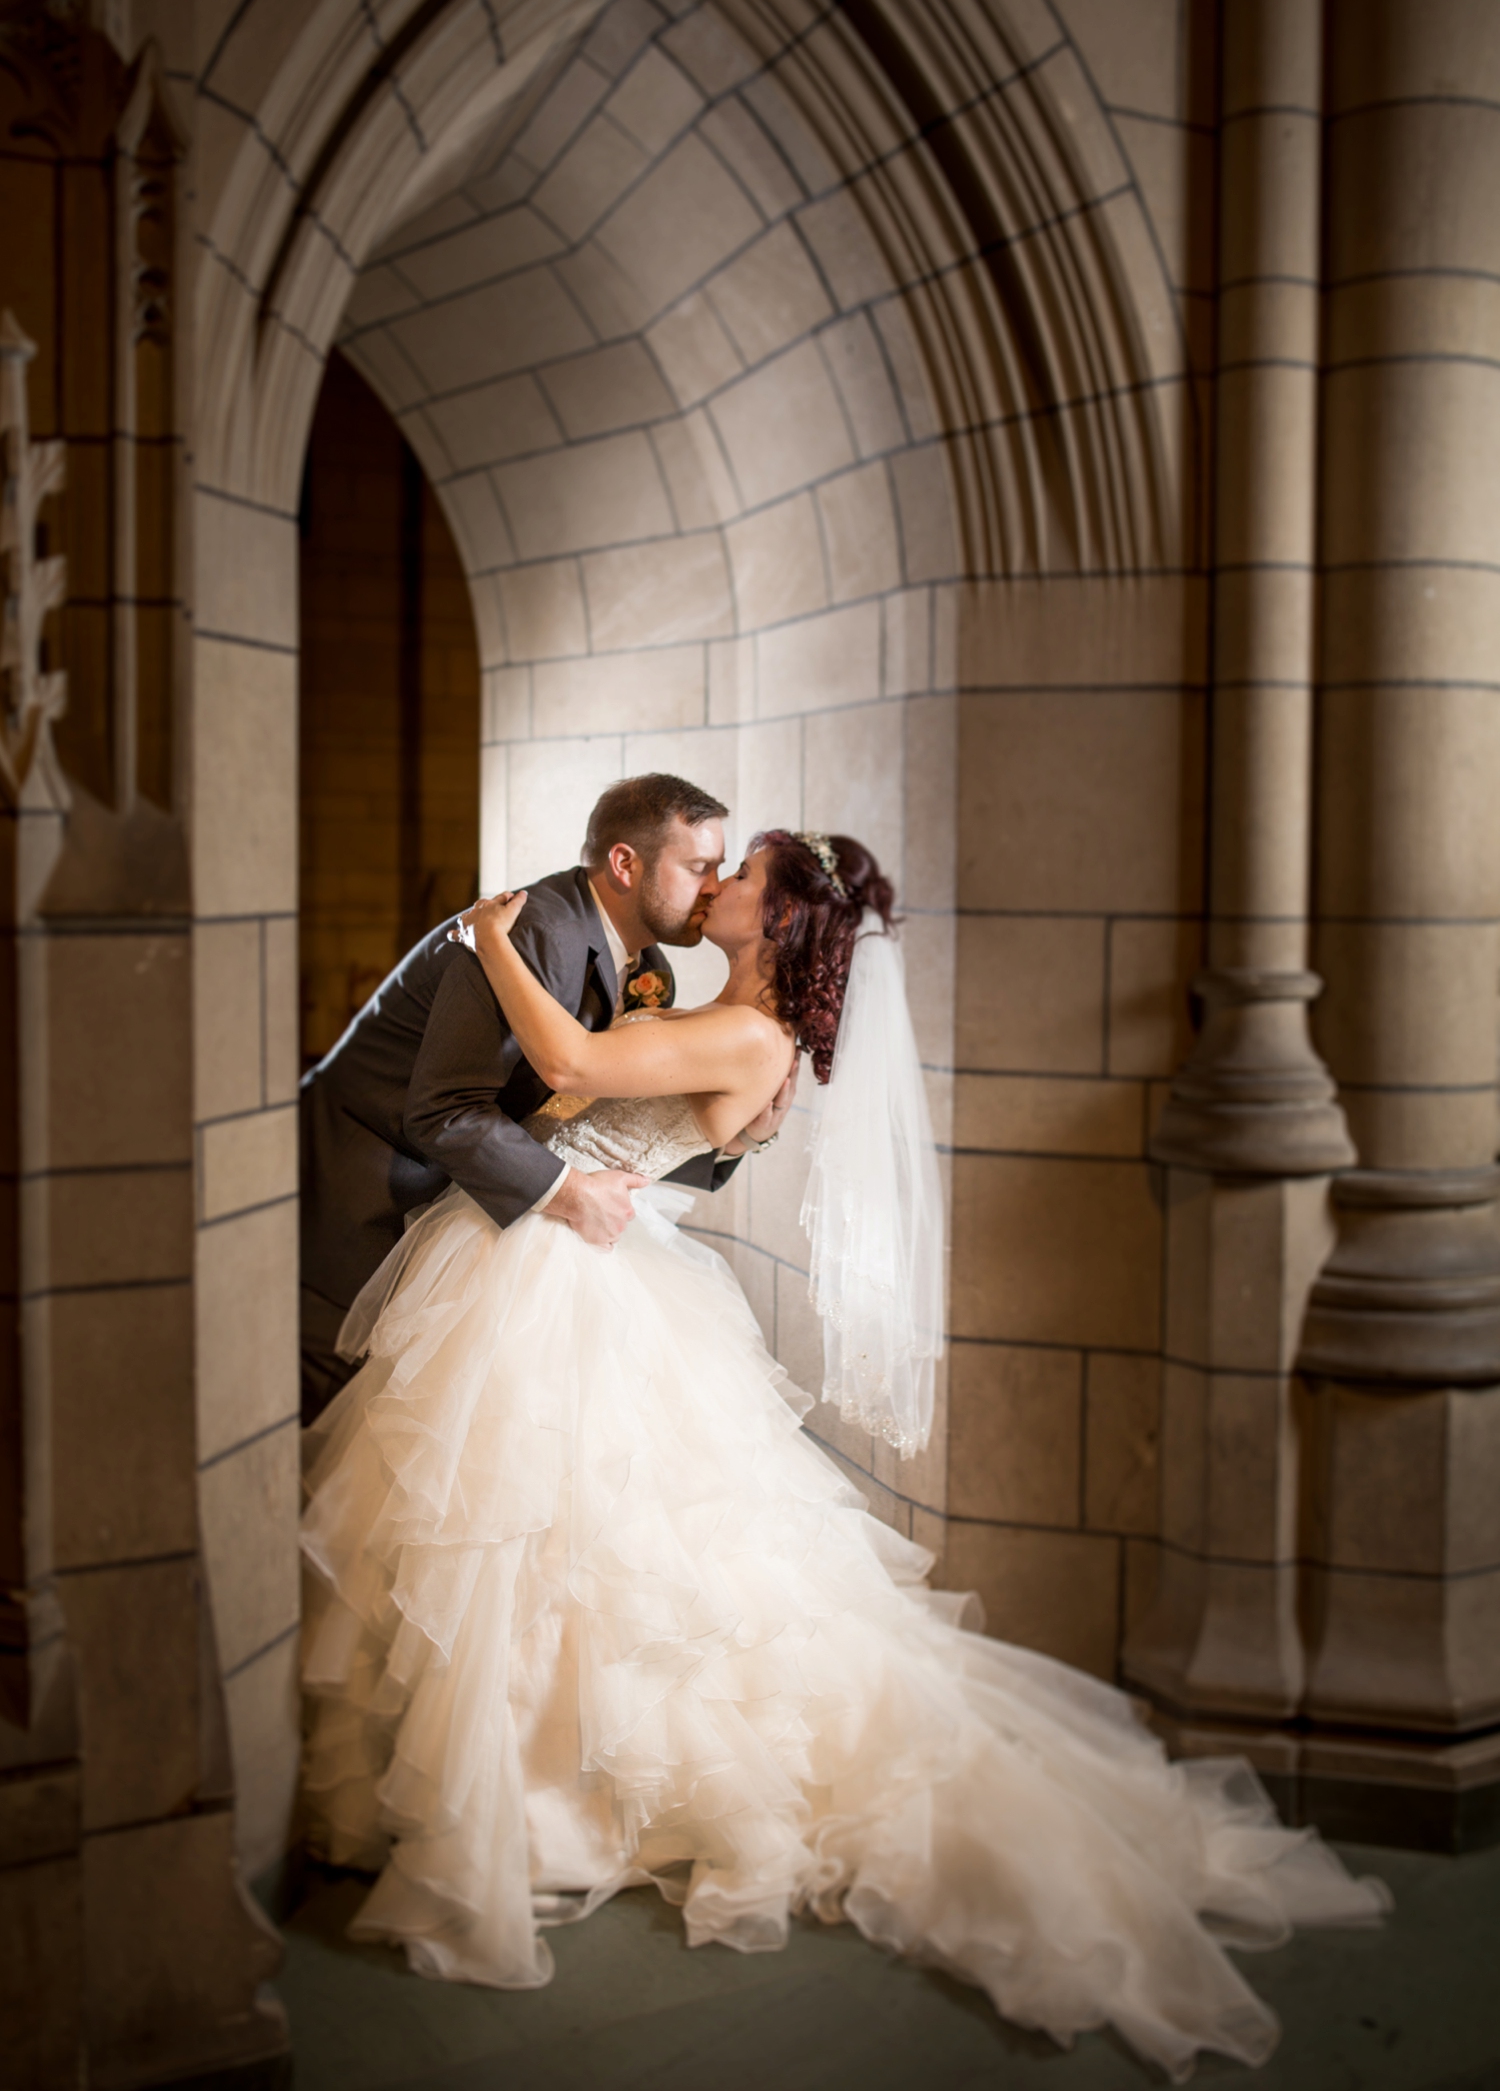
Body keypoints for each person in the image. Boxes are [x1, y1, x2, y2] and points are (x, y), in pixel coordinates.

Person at [299, 829, 1388, 2083]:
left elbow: (566, 1060)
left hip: (562, 1281)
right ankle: (551, 1769)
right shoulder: (736, 1025)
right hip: (579, 1262)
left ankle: (545, 1793)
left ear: (786, 920)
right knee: (569, 1546)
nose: (715, 886)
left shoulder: (745, 1036)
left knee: (546, 1536)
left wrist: (488, 934)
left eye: (742, 874)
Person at [296, 773, 793, 1422]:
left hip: (468, 1217)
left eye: (725, 869)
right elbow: (445, 1112)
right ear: (624, 862)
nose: (713, 886)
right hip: (362, 1203)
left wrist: (732, 1139)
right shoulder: (532, 932)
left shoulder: (648, 972)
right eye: (700, 865)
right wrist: (572, 1193)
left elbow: (599, 1115)